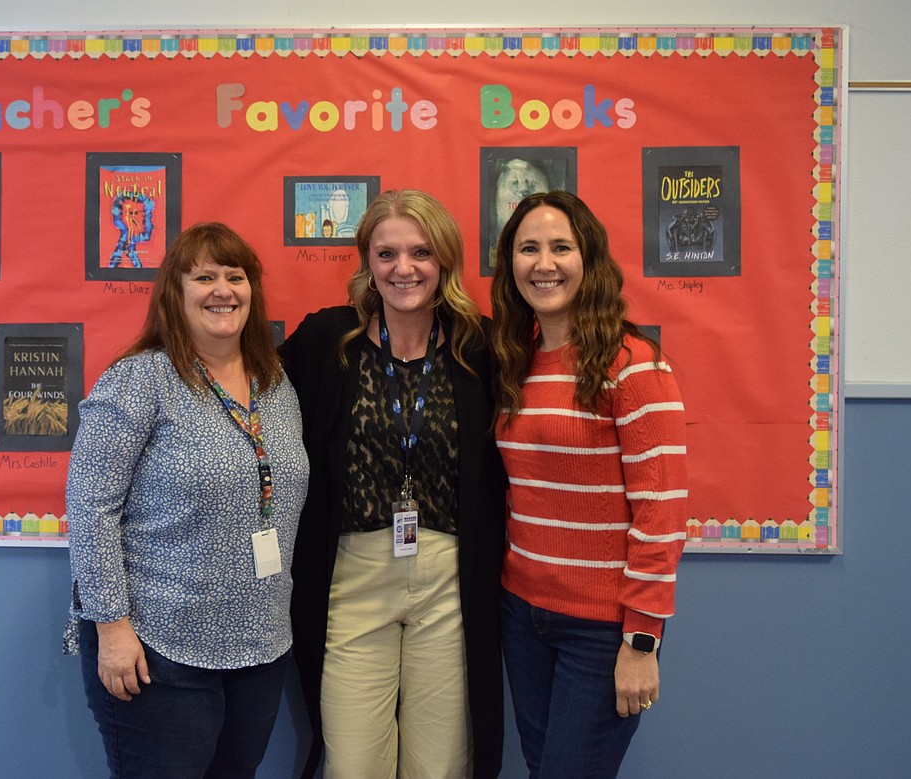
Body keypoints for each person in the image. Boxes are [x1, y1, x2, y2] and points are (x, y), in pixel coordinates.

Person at [64, 222, 309, 778]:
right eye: (204, 277)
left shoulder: (276, 383)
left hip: (260, 647)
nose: (223, 290)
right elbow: (90, 505)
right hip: (159, 649)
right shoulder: (140, 379)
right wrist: (111, 627)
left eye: (235, 276)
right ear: (175, 293)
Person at [280, 190, 507, 778]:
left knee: (442, 767)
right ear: (367, 262)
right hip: (353, 580)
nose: (404, 269)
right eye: (387, 254)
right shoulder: (327, 341)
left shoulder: (479, 348)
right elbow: (245, 391)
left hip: (446, 583)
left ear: (445, 261)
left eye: (420, 253)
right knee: (352, 765)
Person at [489, 191, 688, 778]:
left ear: (589, 259)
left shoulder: (632, 364)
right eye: (528, 248)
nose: (543, 263)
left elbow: (662, 510)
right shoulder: (514, 359)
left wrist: (642, 641)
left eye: (560, 247)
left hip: (601, 631)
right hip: (522, 614)